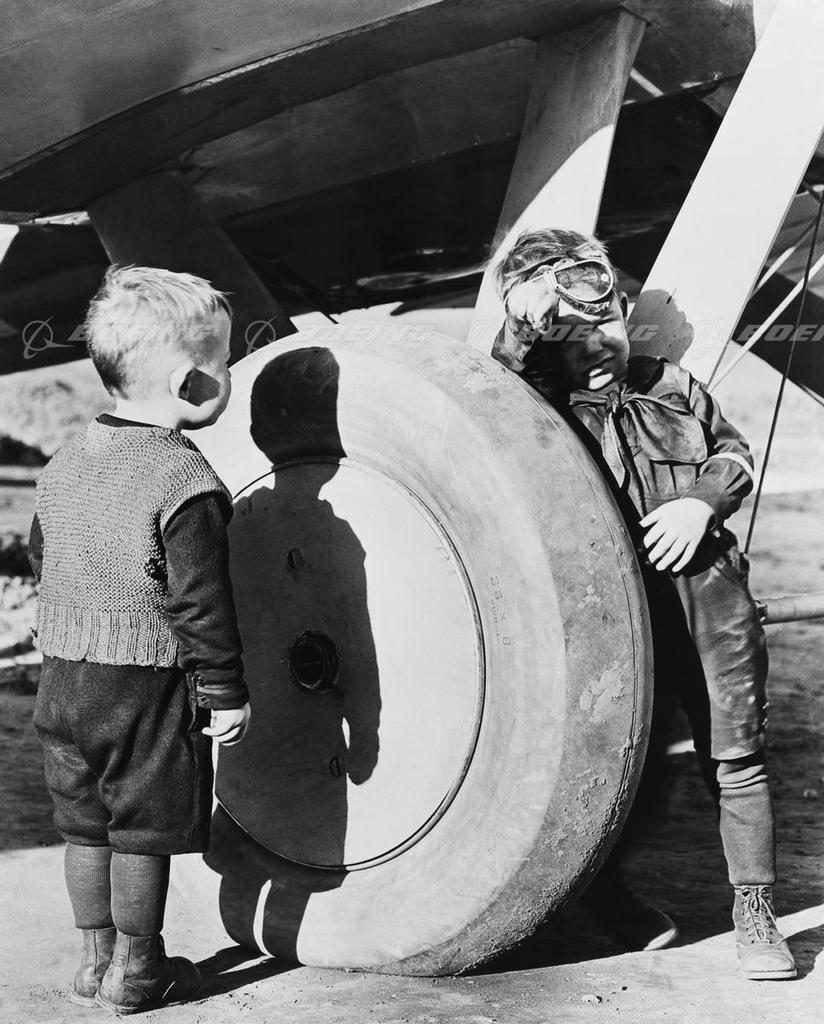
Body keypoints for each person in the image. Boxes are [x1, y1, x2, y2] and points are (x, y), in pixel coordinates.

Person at [491, 228, 796, 981]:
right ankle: (604, 902)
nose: (597, 342)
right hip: (609, 619)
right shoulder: (537, 406)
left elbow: (733, 453)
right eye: (571, 331)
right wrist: (524, 322)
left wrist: (701, 503)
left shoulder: (674, 386)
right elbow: (493, 384)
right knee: (605, 764)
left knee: (737, 753)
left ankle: (755, 911)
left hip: (709, 602)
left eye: (607, 321)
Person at [29, 265, 252, 1013]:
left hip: (63, 677)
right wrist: (223, 689)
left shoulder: (66, 461)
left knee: (84, 823)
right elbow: (200, 601)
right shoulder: (182, 478)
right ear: (192, 383)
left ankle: (92, 964)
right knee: (140, 828)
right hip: (141, 683)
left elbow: (43, 555)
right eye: (225, 363)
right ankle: (138, 969)